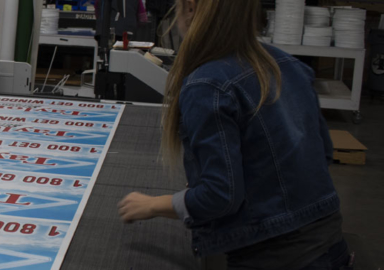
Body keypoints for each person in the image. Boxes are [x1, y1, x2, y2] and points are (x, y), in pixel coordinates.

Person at [116, 0, 351, 269]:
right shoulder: (287, 64)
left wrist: (153, 205)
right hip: (332, 246)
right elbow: (322, 154)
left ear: (191, 9)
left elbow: (220, 196)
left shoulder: (207, 85)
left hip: (272, 257)